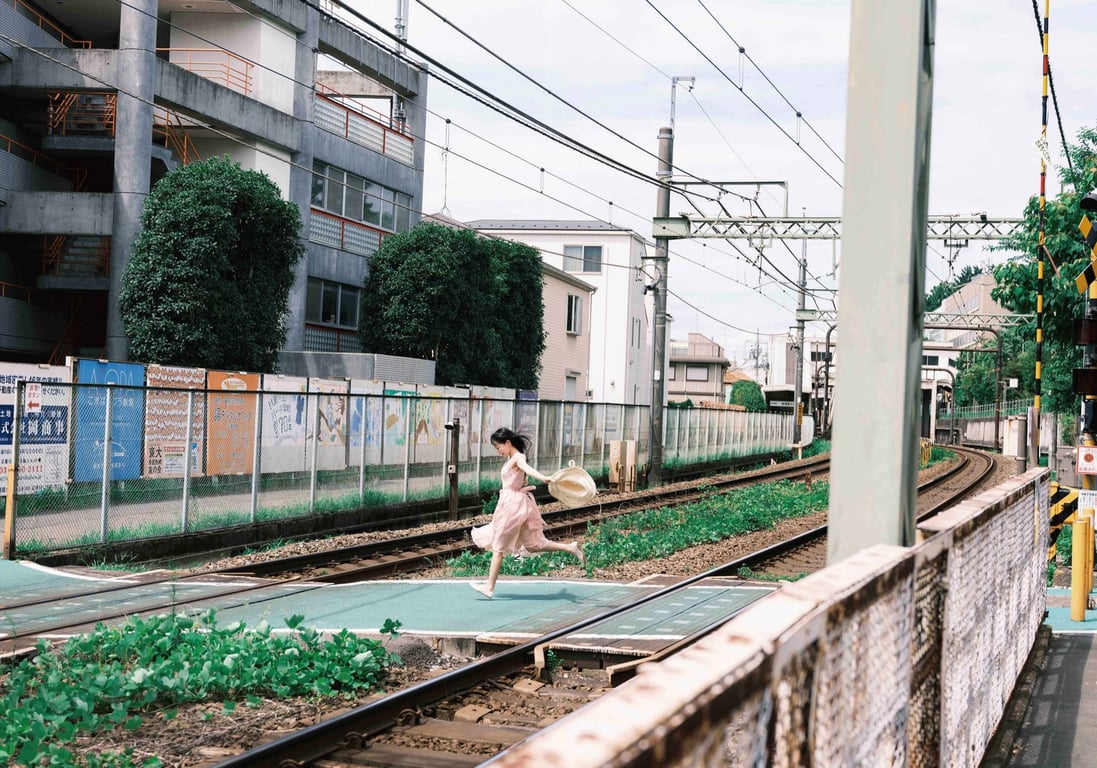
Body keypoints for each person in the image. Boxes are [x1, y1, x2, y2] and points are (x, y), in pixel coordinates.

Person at [470, 427, 585, 598]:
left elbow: (527, 468)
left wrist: (544, 477)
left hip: (513, 506)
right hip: (514, 504)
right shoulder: (512, 457)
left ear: (507, 443)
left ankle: (489, 587)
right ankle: (570, 547)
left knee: (498, 548)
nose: (498, 451)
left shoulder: (517, 458)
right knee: (534, 545)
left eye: (498, 447)